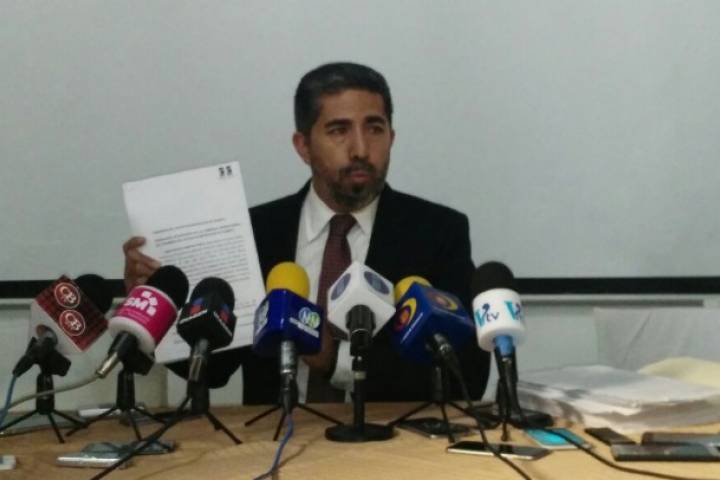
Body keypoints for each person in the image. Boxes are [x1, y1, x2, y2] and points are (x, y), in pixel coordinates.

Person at [123, 62, 490, 404]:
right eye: (339, 130)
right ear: (303, 146)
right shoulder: (257, 232)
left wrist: (335, 360)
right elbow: (213, 368)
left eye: (374, 129)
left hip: (391, 442)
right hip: (272, 440)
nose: (361, 149)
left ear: (391, 137)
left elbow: (466, 375)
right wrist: (153, 307)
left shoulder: (437, 232)